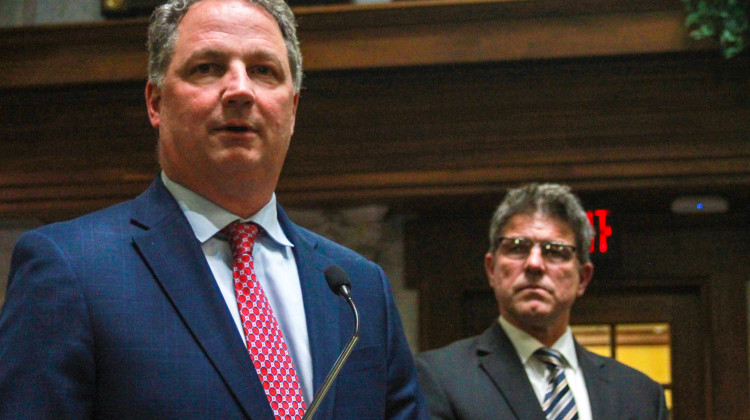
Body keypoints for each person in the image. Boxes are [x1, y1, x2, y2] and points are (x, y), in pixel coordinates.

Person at [0, 0, 427, 418]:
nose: (240, 89)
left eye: (263, 71)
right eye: (207, 68)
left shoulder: (359, 289)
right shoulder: (70, 267)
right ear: (156, 102)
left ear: (292, 109)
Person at [415, 183, 667, 420]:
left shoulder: (640, 395)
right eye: (517, 247)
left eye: (555, 251)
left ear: (583, 277)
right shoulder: (438, 377)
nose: (534, 264)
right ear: (491, 269)